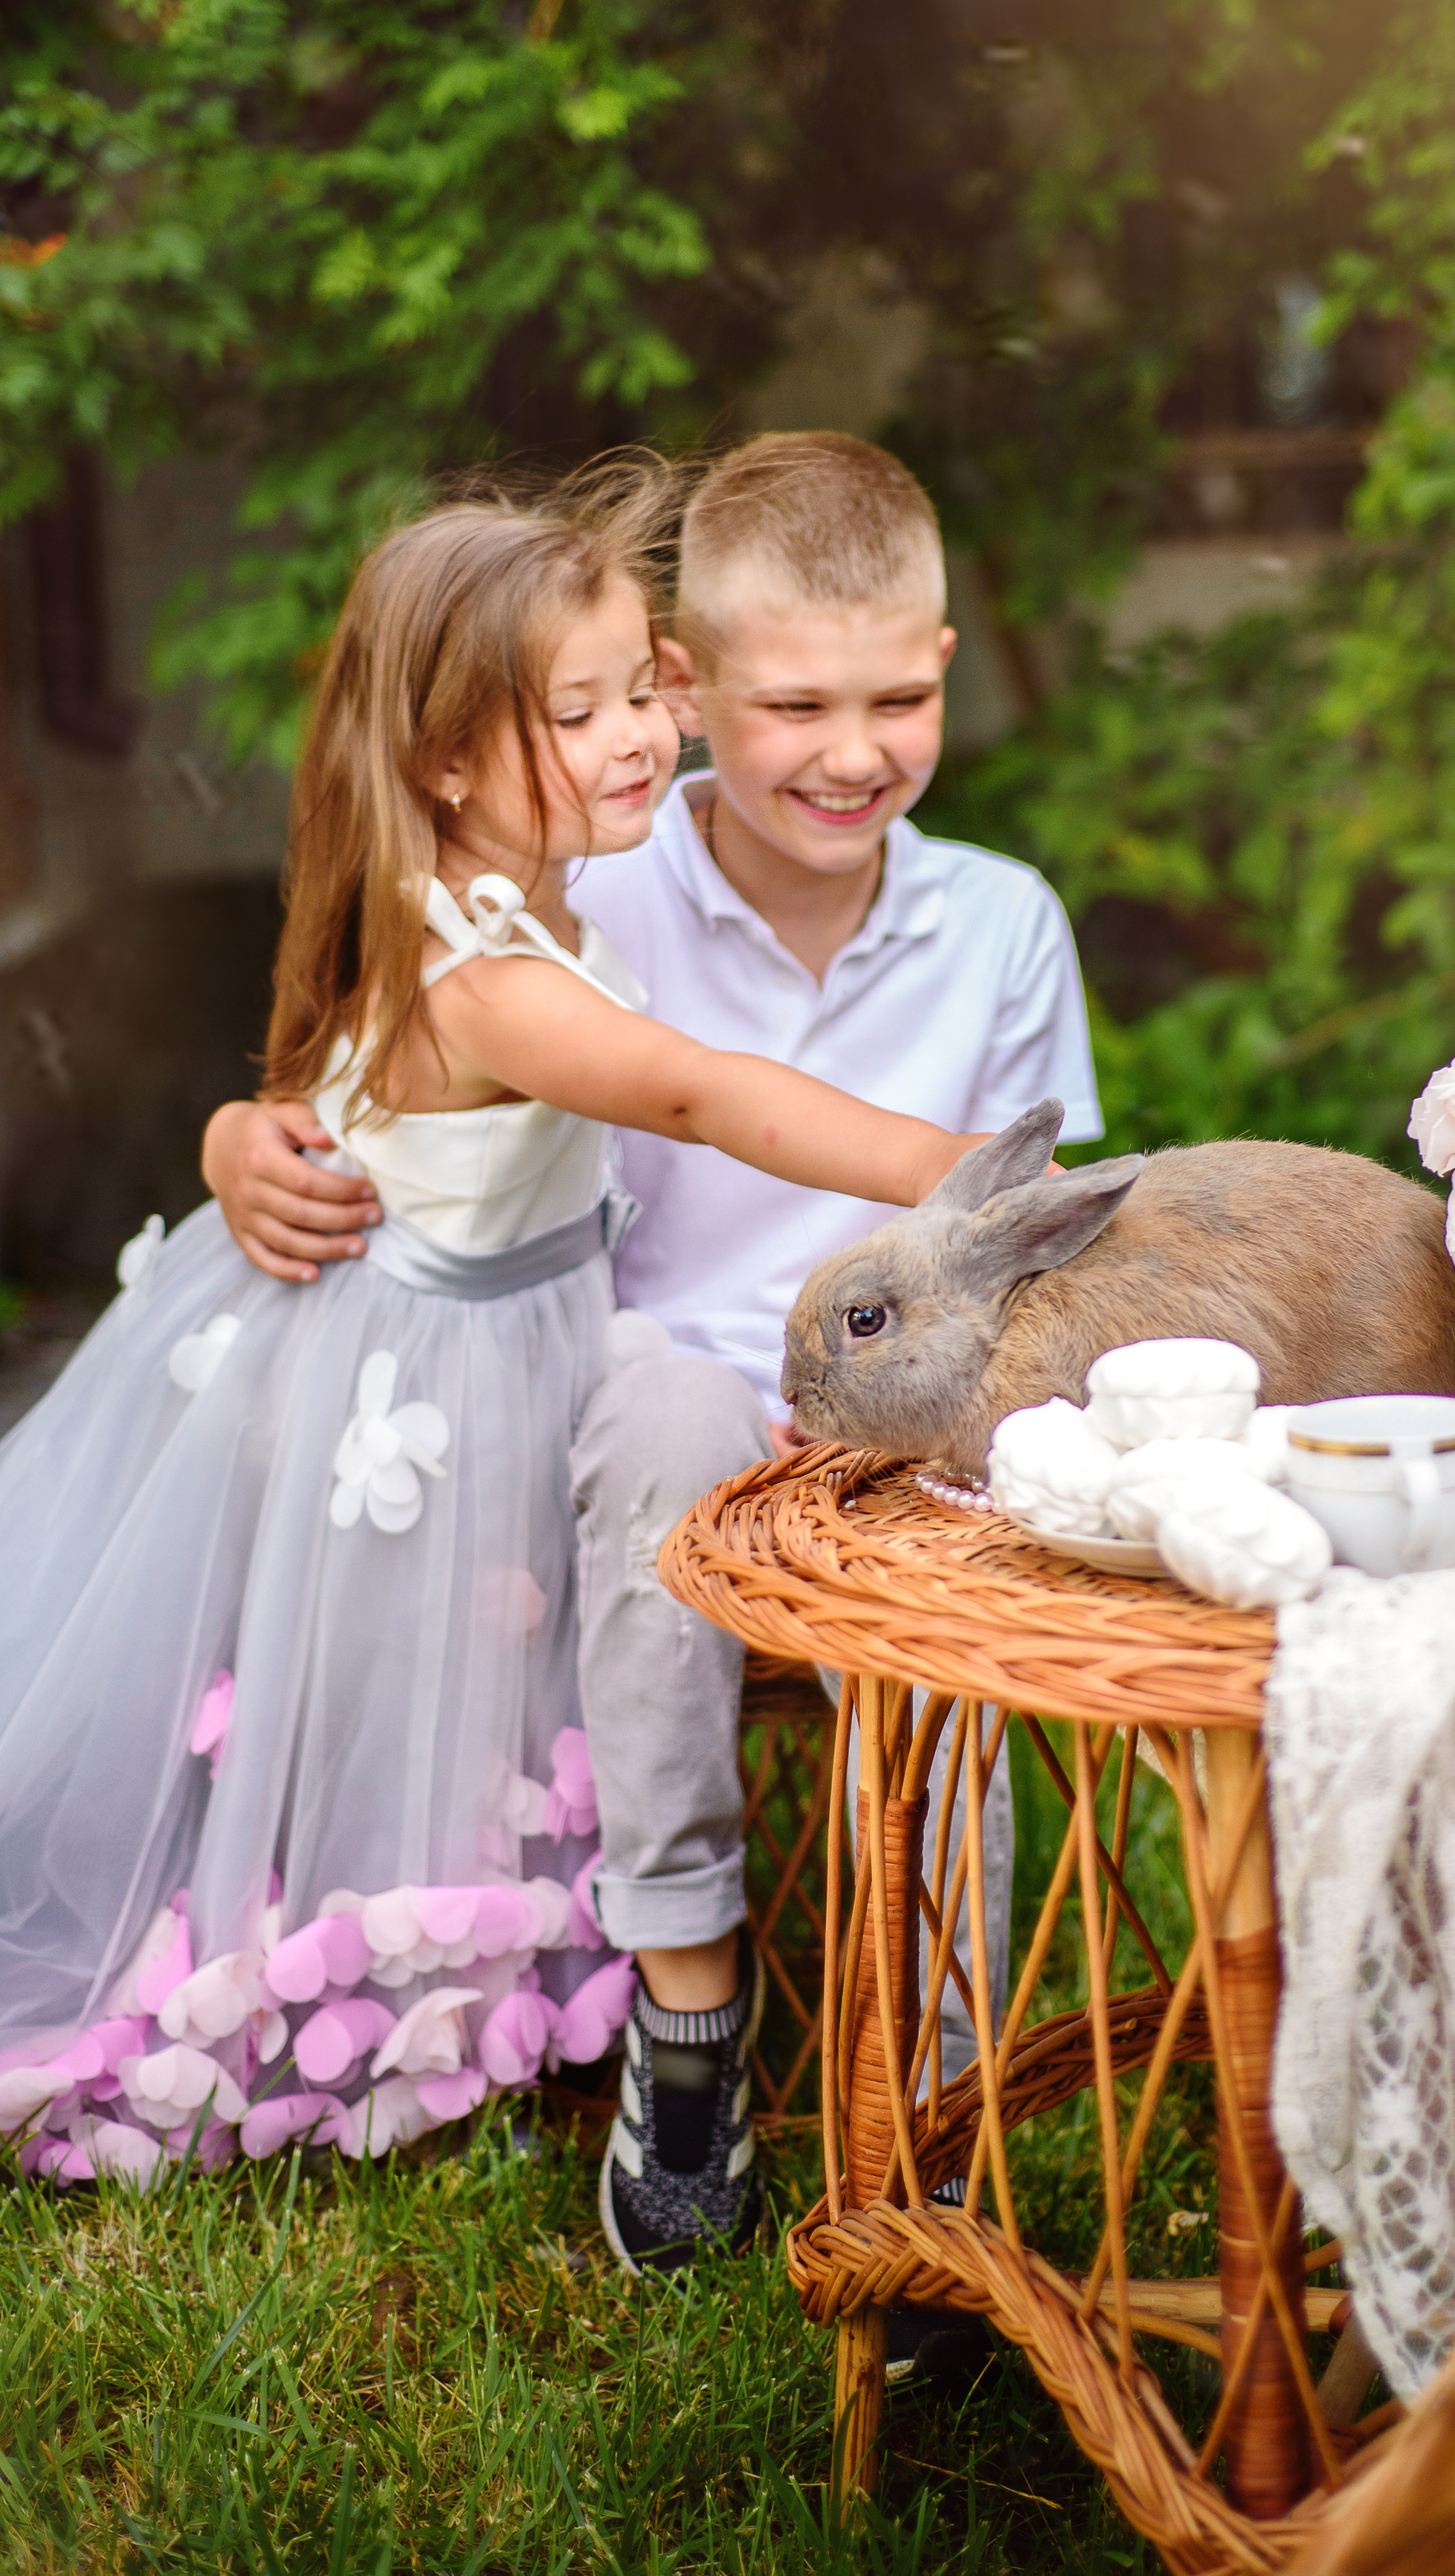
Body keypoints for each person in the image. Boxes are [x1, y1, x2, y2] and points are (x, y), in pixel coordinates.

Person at [0, 460, 993, 2226]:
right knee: (392, 1717)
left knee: (483, 1694)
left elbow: (324, 1076)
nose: (634, 740)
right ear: (452, 758)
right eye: (580, 713)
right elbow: (700, 1091)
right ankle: (377, 1996)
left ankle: (544, 1990)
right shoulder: (491, 961)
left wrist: (662, 684)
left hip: (506, 1337)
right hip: (406, 1381)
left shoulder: (499, 884)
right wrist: (959, 1177)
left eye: (643, 694)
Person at [203, 434, 1103, 2288]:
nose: (850, 751)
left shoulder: (999, 921)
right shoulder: (579, 887)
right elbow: (379, 1071)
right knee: (666, 1408)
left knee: (959, 1526)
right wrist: (240, 1135)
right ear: (688, 691)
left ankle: (930, 2088)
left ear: (945, 661)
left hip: (918, 1401)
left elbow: (1031, 1235)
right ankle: (689, 2012)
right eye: (792, 704)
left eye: (894, 698)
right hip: (654, 1381)